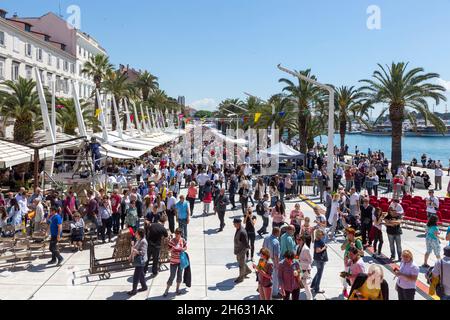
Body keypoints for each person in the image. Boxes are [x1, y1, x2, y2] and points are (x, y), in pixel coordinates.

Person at [128, 228, 148, 296]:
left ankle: (134, 290)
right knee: (141, 274)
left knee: (136, 276)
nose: (135, 234)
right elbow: (134, 248)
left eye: (136, 233)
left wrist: (136, 251)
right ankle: (144, 286)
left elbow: (143, 252)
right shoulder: (138, 240)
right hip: (138, 260)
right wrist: (131, 254)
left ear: (139, 234)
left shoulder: (143, 241)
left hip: (141, 261)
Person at [263, 227, 281, 299]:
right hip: (272, 261)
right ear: (277, 232)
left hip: (264, 260)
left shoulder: (266, 238)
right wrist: (277, 265)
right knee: (274, 277)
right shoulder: (276, 242)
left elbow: (262, 248)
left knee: (265, 275)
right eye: (279, 232)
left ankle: (263, 290)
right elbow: (276, 255)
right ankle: (274, 293)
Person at [233, 218, 252, 284]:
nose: (233, 224)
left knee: (241, 264)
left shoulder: (242, 232)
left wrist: (247, 248)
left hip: (241, 250)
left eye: (234, 223)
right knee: (240, 261)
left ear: (238, 223)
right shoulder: (239, 229)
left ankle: (241, 278)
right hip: (239, 249)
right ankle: (247, 271)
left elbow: (245, 243)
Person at [296, 235, 313, 300]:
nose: (297, 241)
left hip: (305, 270)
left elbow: (310, 261)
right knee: (301, 284)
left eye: (299, 240)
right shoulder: (298, 247)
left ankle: (310, 298)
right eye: (297, 239)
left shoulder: (306, 249)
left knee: (306, 285)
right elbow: (297, 256)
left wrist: (300, 261)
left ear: (303, 240)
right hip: (299, 269)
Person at [311, 229, 328, 295]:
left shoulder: (316, 240)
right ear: (319, 235)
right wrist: (324, 247)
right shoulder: (319, 242)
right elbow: (318, 250)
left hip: (317, 259)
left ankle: (313, 285)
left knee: (318, 272)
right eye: (322, 234)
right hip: (319, 260)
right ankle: (316, 289)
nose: (323, 236)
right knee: (319, 274)